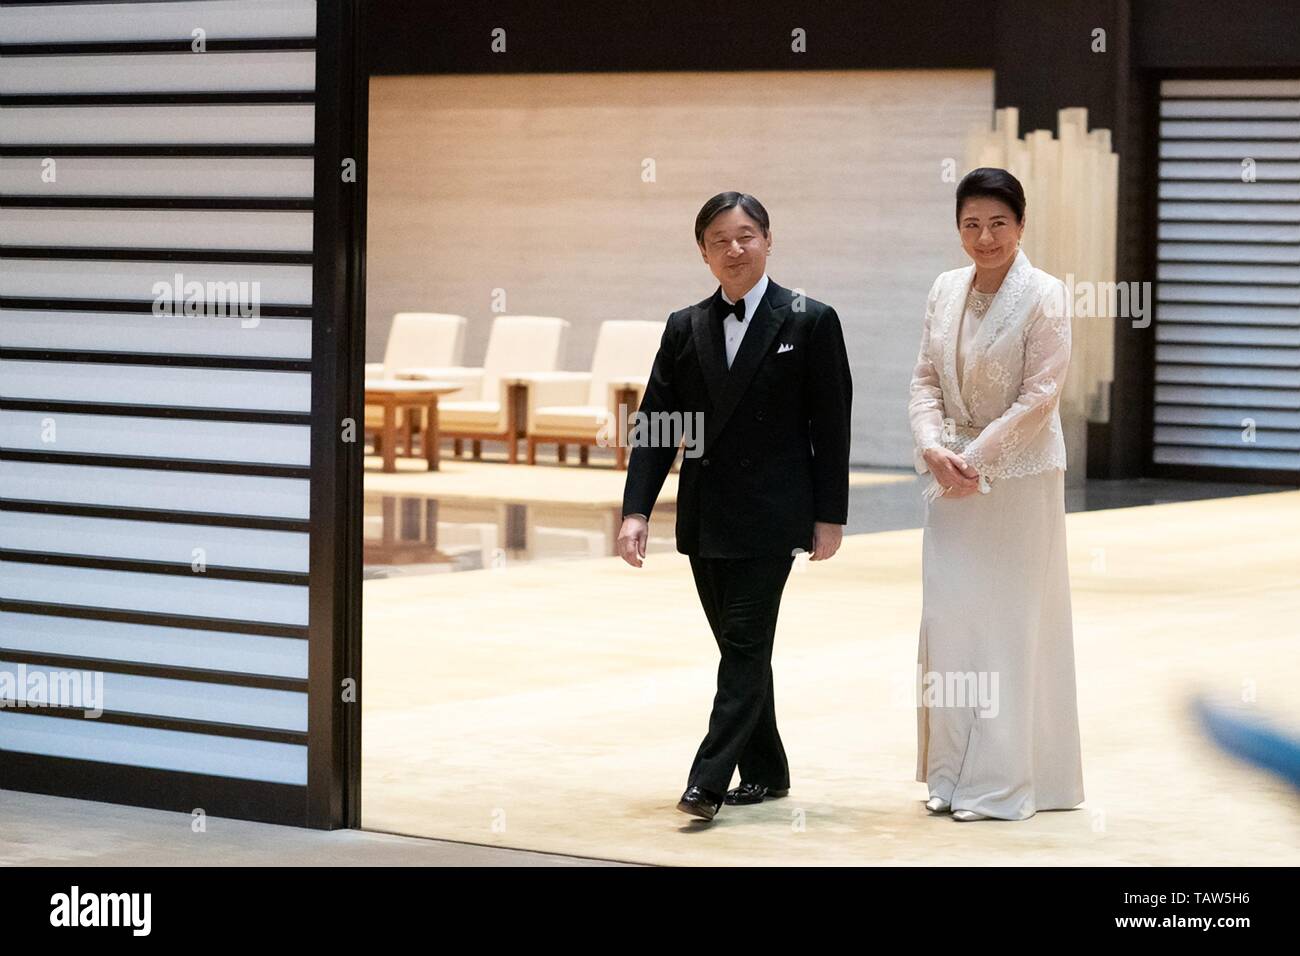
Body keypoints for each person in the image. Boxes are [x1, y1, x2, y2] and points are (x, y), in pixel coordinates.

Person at [617, 191, 853, 821]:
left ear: (769, 241)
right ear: (702, 251)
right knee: (739, 647)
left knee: (744, 645)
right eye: (719, 240)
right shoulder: (684, 325)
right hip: (706, 514)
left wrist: (830, 514)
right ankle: (768, 770)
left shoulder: (809, 319)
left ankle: (707, 780)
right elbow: (658, 424)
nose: (734, 249)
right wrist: (636, 509)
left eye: (746, 236)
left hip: (774, 516)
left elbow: (831, 426)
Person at [908, 166, 1084, 821]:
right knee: (952, 623)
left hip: (1019, 479)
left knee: (1009, 628)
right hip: (949, 478)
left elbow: (1041, 396)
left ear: (1021, 225)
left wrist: (974, 460)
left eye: (998, 223)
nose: (985, 237)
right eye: (971, 224)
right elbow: (925, 379)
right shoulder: (943, 288)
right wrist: (933, 447)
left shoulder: (1045, 294)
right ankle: (951, 772)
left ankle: (1001, 782)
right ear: (958, 227)